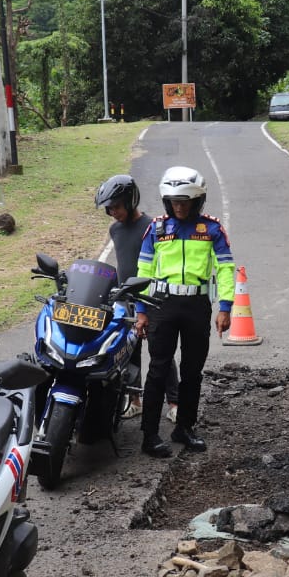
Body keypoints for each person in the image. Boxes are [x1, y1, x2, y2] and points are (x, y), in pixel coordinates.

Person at [134, 167, 235, 457]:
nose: (179, 207)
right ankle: (149, 435)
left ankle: (184, 427)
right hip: (162, 306)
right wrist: (141, 310)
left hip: (197, 306)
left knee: (192, 371)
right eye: (174, 202)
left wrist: (225, 307)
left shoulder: (212, 230)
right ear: (167, 202)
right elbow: (144, 270)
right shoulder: (156, 229)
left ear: (197, 201)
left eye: (185, 202)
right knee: (158, 369)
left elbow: (226, 269)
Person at [95, 175, 180, 422]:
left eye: (116, 207)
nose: (113, 213)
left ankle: (174, 402)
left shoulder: (152, 226)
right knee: (128, 353)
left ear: (130, 201)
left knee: (159, 351)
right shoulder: (115, 229)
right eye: (109, 209)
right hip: (126, 301)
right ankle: (135, 400)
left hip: (151, 299)